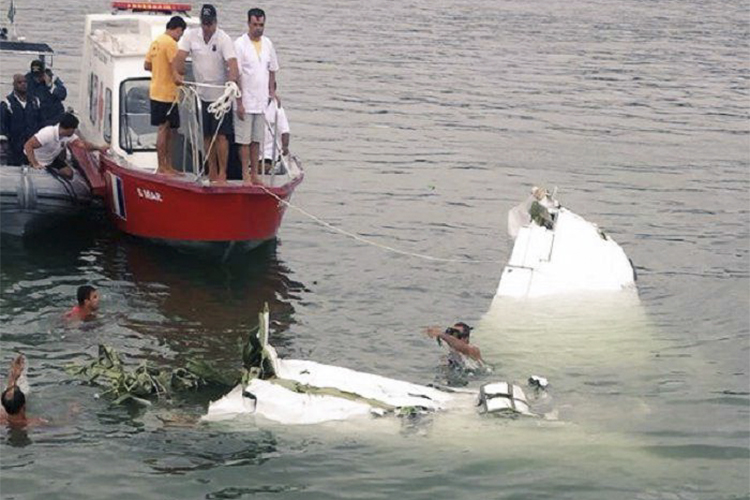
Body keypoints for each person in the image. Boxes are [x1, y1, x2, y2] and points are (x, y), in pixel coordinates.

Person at [173, 4, 239, 184]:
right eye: (205, 23)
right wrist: (178, 74)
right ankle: (212, 170)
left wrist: (232, 82)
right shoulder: (191, 35)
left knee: (222, 136)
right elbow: (179, 57)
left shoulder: (223, 38)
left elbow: (232, 64)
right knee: (207, 136)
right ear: (201, 22)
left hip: (220, 96)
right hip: (201, 95)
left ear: (215, 22)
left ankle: (223, 173)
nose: (207, 27)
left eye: (210, 24)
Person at [234, 8, 279, 185]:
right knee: (244, 140)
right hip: (245, 100)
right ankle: (246, 174)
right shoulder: (240, 44)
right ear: (248, 24)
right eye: (255, 24)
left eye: (261, 25)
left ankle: (255, 174)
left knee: (256, 140)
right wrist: (239, 102)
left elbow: (272, 69)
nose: (258, 28)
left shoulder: (268, 43)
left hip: (261, 102)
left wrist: (272, 92)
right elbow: (236, 74)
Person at [144, 15, 186, 176]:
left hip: (155, 91)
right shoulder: (170, 43)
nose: (179, 37)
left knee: (169, 130)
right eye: (180, 34)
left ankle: (167, 165)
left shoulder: (156, 42)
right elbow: (175, 67)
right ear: (177, 29)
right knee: (164, 129)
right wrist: (179, 78)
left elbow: (147, 65)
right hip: (167, 94)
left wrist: (159, 70)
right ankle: (163, 166)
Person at [24, 113, 108, 180]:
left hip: (50, 159)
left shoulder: (69, 136)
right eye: (74, 129)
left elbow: (83, 145)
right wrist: (35, 164)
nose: (75, 131)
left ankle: (54, 176)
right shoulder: (47, 133)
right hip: (35, 159)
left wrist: (99, 148)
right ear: (69, 128)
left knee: (69, 173)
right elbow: (28, 145)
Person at [0, 73, 42, 165]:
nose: (23, 84)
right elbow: (2, 125)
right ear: (14, 84)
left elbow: (40, 121)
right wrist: (4, 144)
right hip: (15, 145)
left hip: (32, 144)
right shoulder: (7, 103)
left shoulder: (35, 101)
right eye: (20, 82)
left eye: (25, 82)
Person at [1, 354, 46, 427]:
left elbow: (9, 400)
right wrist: (70, 413)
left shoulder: (1, 419)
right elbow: (61, 425)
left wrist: (13, 378)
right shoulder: (36, 423)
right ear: (24, 405)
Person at [25, 59, 67, 127]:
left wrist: (50, 85)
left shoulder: (53, 78)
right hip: (37, 117)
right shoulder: (27, 80)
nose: (37, 79)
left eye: (39, 76)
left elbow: (62, 95)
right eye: (35, 76)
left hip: (54, 115)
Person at [262, 86, 290, 172]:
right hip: (252, 146)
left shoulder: (277, 108)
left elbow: (285, 130)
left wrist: (284, 146)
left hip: (269, 150)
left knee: (265, 166)